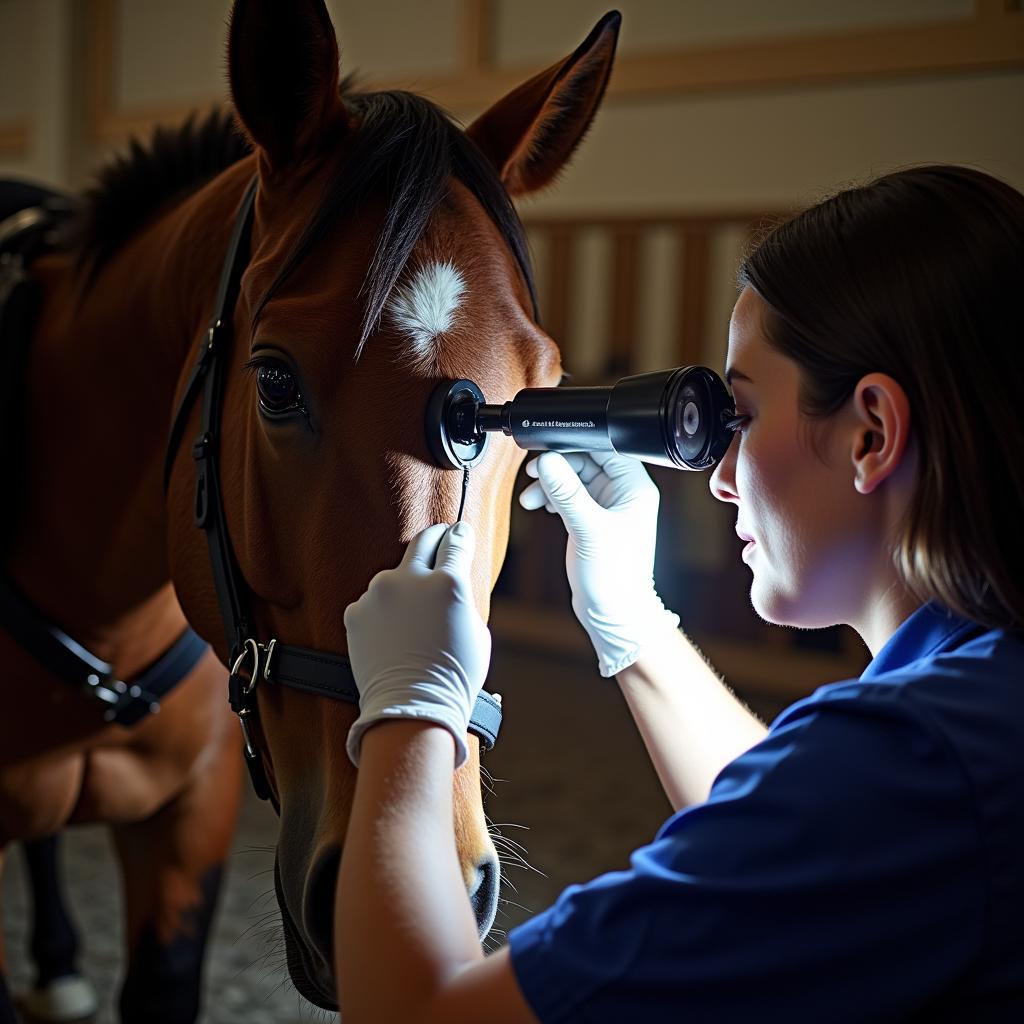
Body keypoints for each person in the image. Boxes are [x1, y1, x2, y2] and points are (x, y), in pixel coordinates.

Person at [334, 164, 1024, 1023]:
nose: (724, 479)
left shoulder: (922, 758)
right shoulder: (971, 710)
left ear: (872, 433)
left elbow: (420, 1015)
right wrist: (635, 619)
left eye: (744, 418)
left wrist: (411, 711)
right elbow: (800, 841)